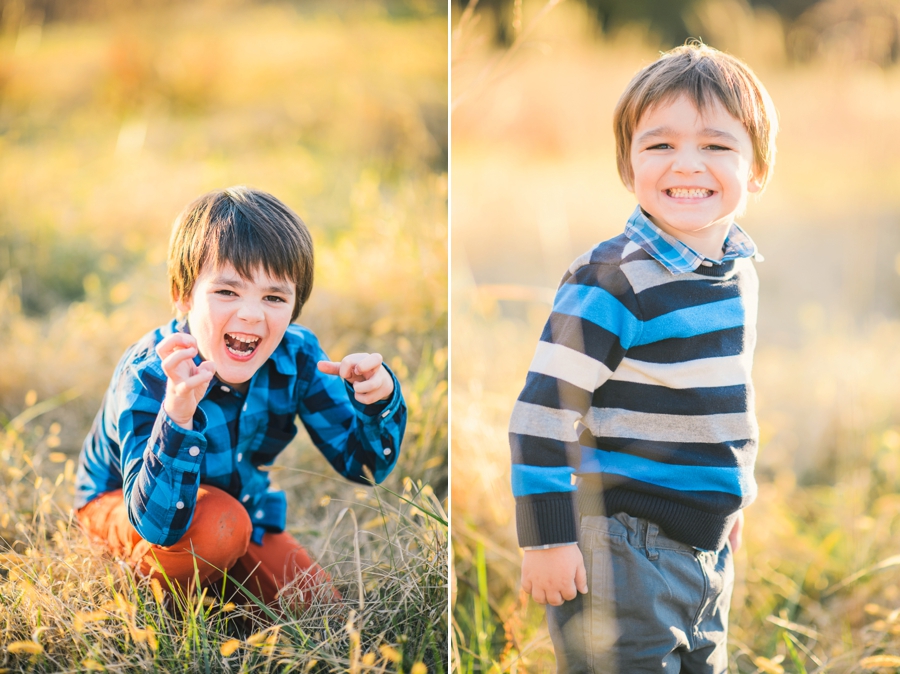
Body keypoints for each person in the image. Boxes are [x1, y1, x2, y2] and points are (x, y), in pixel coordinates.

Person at [510, 42, 778, 672]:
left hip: (704, 546)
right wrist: (547, 538)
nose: (687, 164)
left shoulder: (735, 273)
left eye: (716, 146)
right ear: (629, 167)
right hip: (622, 545)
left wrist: (729, 499)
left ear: (757, 169)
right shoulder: (611, 280)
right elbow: (542, 413)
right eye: (660, 145)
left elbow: (722, 393)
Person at [75, 186, 407, 608]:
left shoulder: (297, 355)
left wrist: (377, 402)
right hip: (126, 509)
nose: (251, 314)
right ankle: (177, 598)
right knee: (219, 525)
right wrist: (177, 414)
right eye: (227, 292)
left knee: (324, 612)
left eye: (273, 297)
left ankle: (222, 576)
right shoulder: (151, 374)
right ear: (183, 296)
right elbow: (155, 524)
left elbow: (364, 466)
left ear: (294, 308)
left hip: (242, 513)